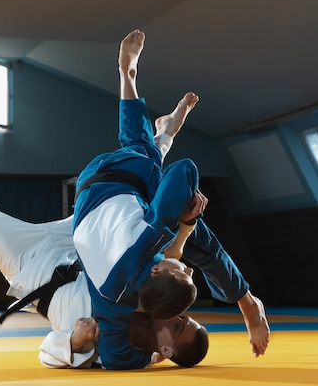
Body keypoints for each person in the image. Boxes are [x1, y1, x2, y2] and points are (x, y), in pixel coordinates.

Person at [71, 29, 269, 370]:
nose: (189, 269)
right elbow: (118, 359)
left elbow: (184, 170)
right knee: (178, 211)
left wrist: (188, 207)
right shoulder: (112, 301)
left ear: (159, 268)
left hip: (119, 176)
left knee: (160, 175)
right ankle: (162, 135)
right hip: (89, 193)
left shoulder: (150, 239)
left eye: (178, 321)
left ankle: (129, 78)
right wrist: (150, 356)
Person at [0, 188, 208, 368]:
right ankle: (160, 138)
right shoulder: (155, 302)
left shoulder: (120, 353)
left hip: (30, 265)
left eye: (179, 326)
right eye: (185, 318)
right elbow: (170, 261)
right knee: (120, 200)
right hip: (76, 246)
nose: (178, 316)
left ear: (165, 351)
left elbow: (46, 353)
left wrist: (75, 341)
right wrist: (188, 223)